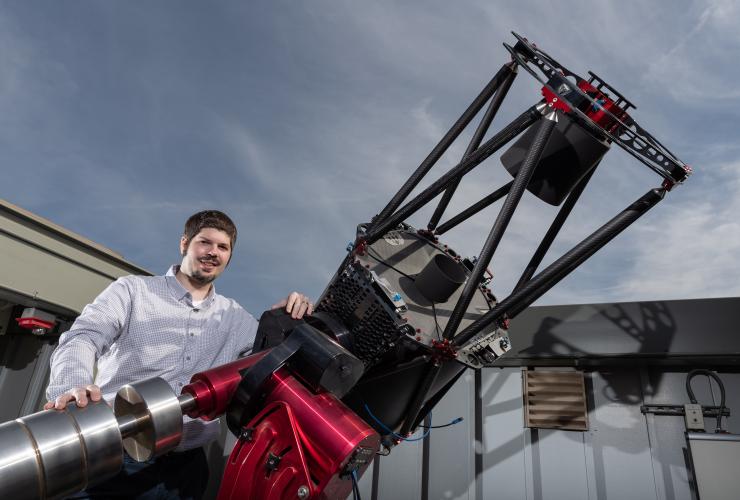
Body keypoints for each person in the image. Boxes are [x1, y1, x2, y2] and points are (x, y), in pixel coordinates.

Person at [45, 210, 313, 499]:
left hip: (184, 473)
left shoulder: (236, 318)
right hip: (113, 460)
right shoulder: (133, 291)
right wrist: (73, 384)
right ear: (184, 244)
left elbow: (269, 357)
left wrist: (285, 316)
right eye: (204, 242)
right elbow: (83, 336)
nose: (213, 253)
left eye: (223, 248)